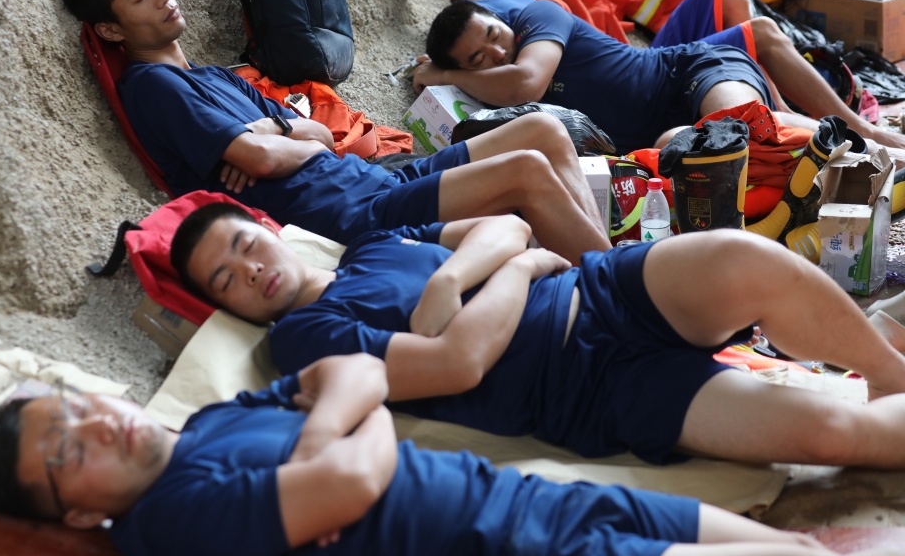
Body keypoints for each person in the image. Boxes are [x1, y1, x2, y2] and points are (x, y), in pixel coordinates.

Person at [171, 203, 905, 471]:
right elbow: (459, 362)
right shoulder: (304, 337)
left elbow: (506, 224)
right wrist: (519, 270)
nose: (250, 270)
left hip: (606, 291)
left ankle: (887, 369)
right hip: (586, 387)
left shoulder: (372, 244)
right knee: (831, 435)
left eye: (243, 245)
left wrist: (453, 278)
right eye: (226, 279)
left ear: (267, 231)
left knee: (743, 257)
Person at [0, 353, 865, 556]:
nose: (97, 426)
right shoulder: (168, 521)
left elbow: (357, 370)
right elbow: (354, 479)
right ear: (80, 513)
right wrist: (349, 438)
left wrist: (326, 432)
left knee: (798, 550)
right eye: (68, 453)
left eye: (78, 410)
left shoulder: (210, 424)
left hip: (538, 500)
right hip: (513, 548)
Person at [61, 0, 611, 260]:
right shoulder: (154, 86)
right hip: (350, 214)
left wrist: (275, 135)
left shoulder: (213, 77)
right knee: (526, 168)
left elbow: (318, 135)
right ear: (111, 29)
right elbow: (261, 159)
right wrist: (270, 141)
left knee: (543, 131)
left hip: (375, 182)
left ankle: (596, 257)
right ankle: (614, 281)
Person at [377, 0, 902, 153]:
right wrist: (445, 71)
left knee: (743, 102)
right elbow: (519, 82)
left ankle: (848, 131)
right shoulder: (471, 25)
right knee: (720, 135)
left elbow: (531, 73)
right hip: (646, 96)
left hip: (665, 70)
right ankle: (815, 123)